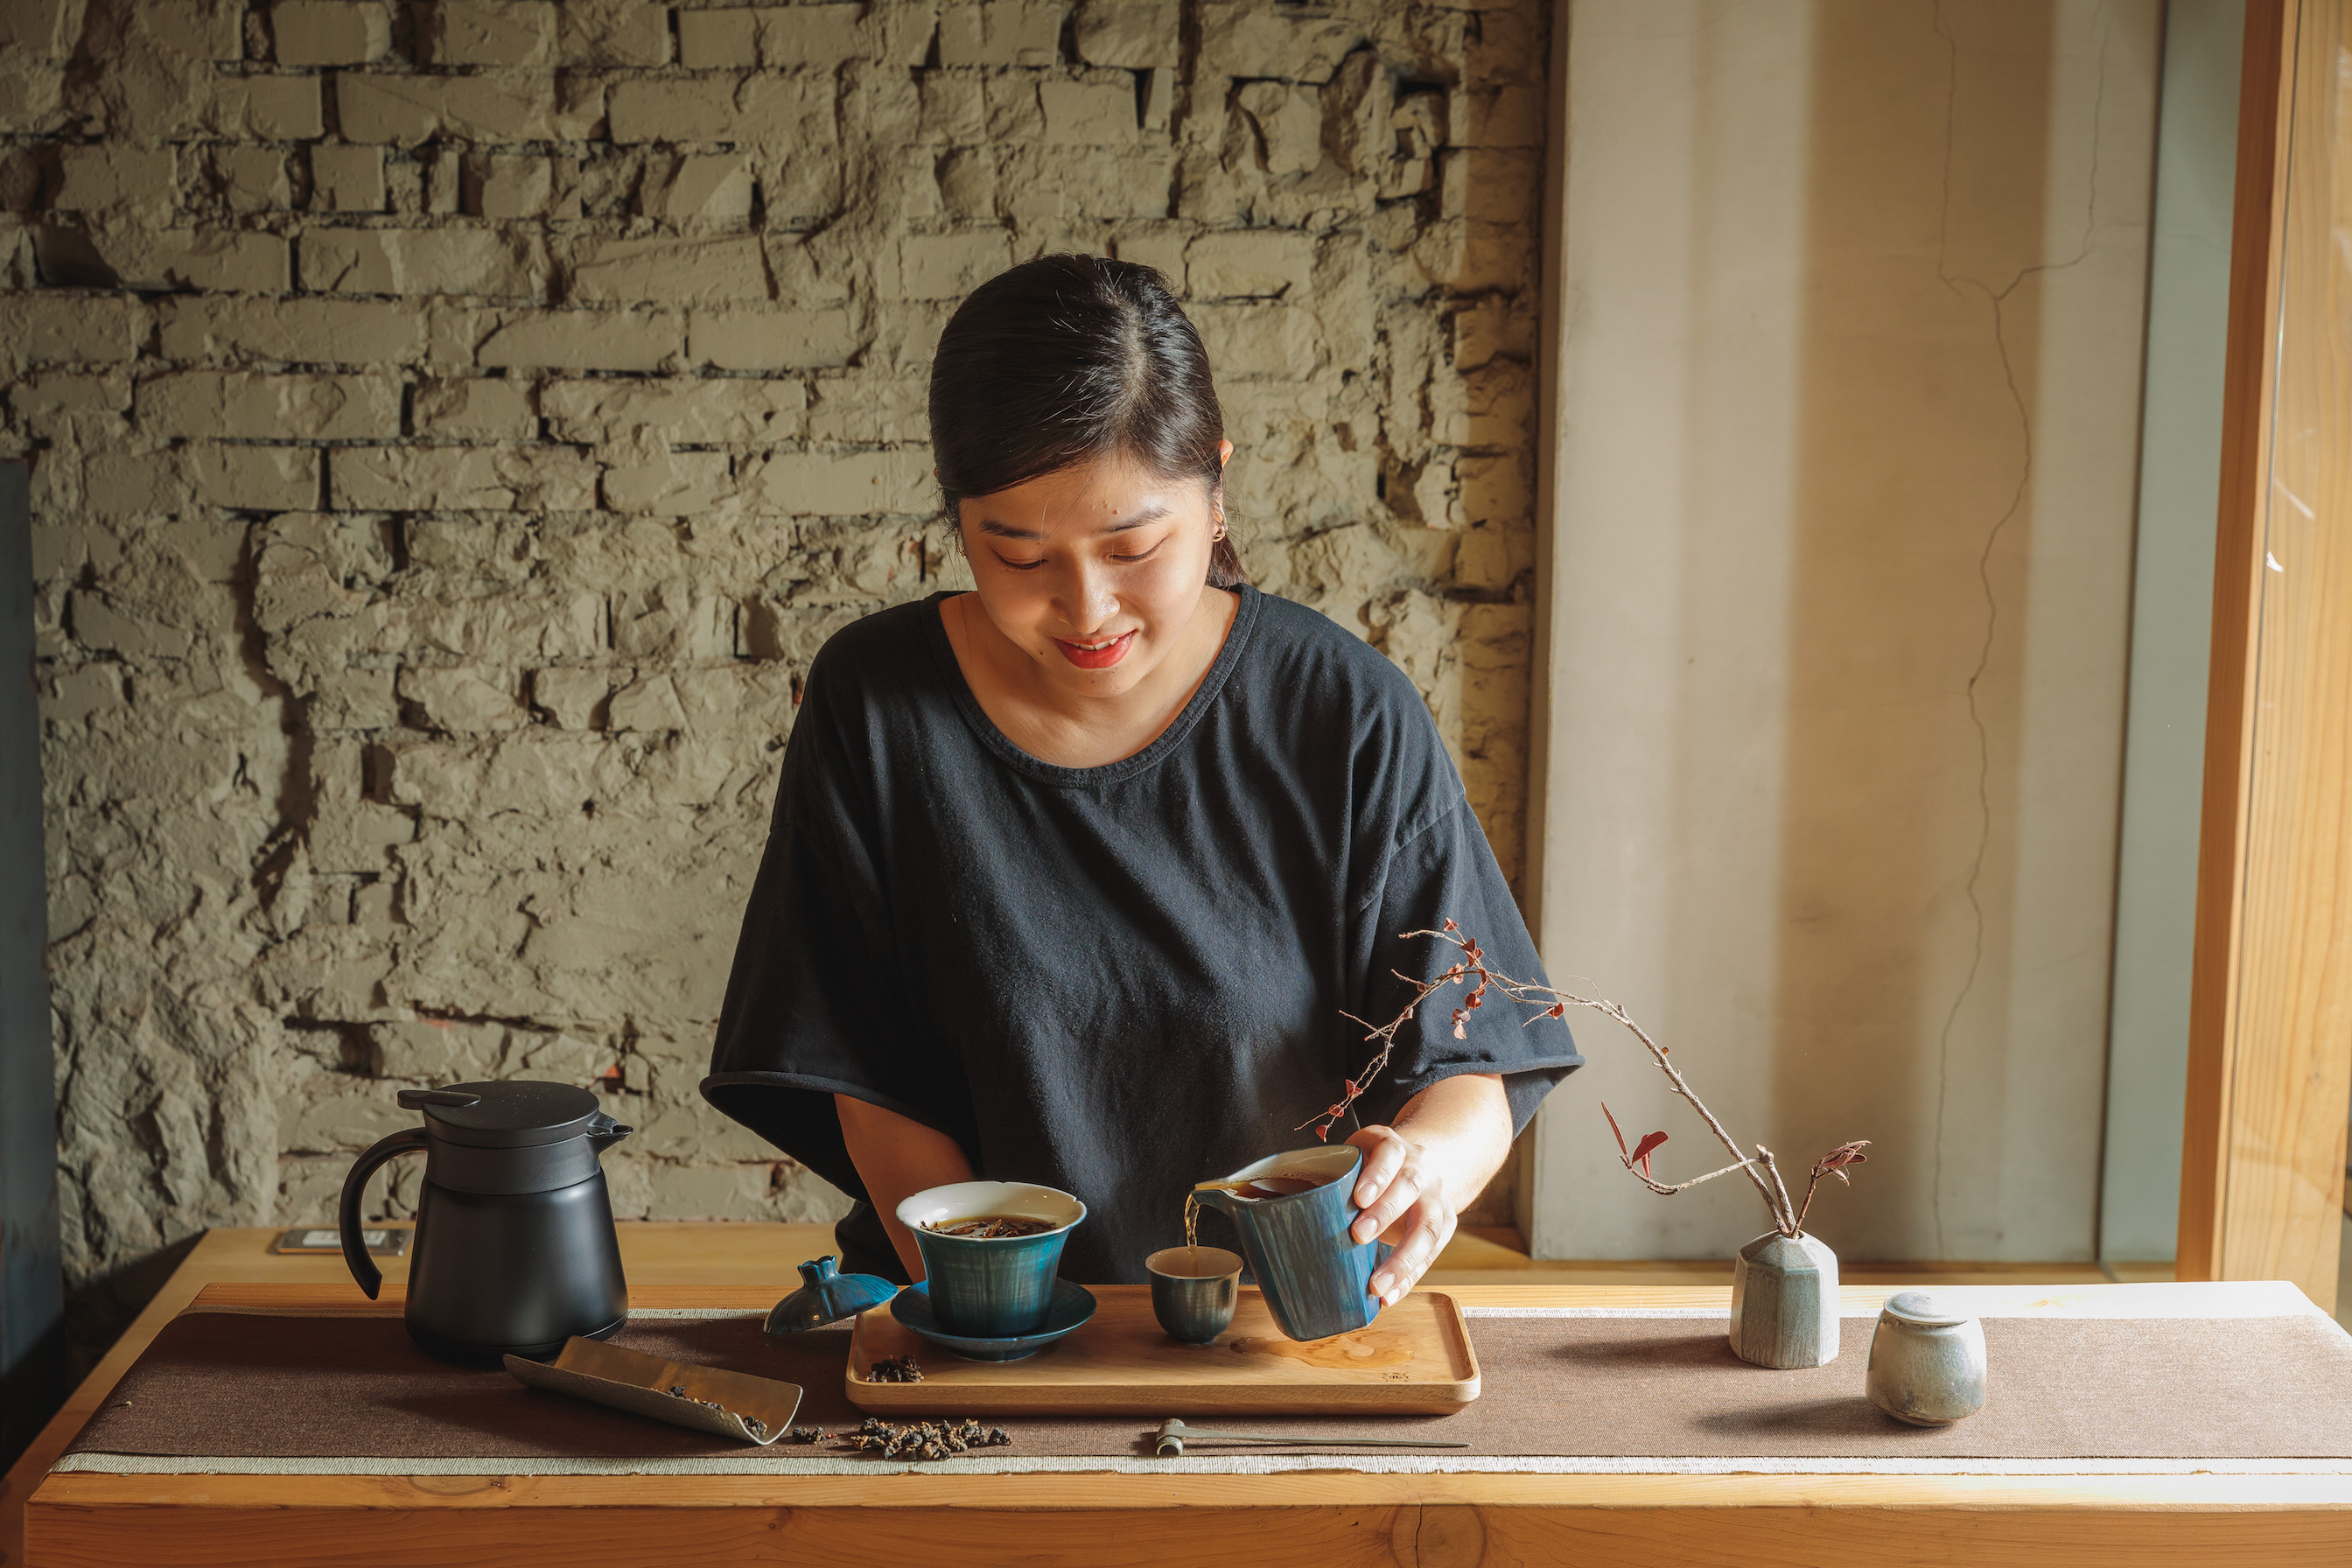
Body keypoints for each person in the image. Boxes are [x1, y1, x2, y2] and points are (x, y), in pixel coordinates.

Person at [703, 254, 1580, 1304]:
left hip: (1269, 1327)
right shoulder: (878, 703)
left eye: (1132, 547)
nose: (1085, 608)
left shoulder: (1340, 709)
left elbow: (1471, 1065)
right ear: (959, 519)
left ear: (1215, 486)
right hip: (971, 1328)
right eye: (1018, 556)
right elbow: (862, 1071)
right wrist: (1003, 1311)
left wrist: (1422, 1173)